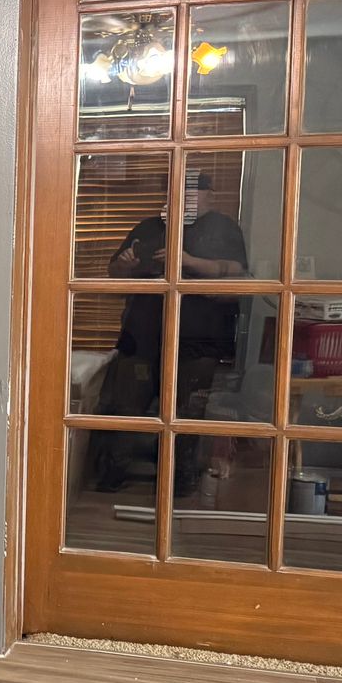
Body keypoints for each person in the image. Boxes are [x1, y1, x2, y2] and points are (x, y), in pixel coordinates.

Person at [92, 175, 249, 493]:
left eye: (192, 191)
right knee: (127, 407)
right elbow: (114, 271)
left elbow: (237, 272)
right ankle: (114, 472)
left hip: (198, 339)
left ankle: (181, 477)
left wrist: (187, 261)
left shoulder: (223, 227)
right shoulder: (148, 227)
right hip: (142, 336)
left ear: (209, 195)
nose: (183, 196)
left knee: (188, 411)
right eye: (177, 190)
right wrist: (126, 265)